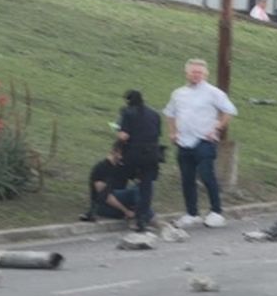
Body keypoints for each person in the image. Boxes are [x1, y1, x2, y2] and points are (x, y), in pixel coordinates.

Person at [163, 59, 239, 229]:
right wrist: (173, 132)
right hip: (184, 141)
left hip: (204, 140)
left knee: (206, 174)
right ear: (187, 73)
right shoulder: (178, 93)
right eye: (193, 72)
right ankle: (191, 213)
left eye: (200, 72)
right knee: (187, 178)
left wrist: (217, 127)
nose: (196, 75)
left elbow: (229, 111)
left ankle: (216, 211)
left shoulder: (213, 93)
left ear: (205, 74)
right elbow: (170, 113)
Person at [117, 89, 163, 231]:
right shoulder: (155, 114)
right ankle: (142, 218)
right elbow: (157, 133)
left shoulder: (128, 112)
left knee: (122, 178)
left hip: (134, 153)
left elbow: (124, 136)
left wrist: (118, 134)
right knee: (146, 186)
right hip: (153, 154)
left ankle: (124, 210)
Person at [80, 142, 140, 223]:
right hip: (105, 206)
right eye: (122, 154)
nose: (123, 157)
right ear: (114, 152)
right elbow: (105, 196)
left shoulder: (122, 167)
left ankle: (140, 213)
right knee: (135, 192)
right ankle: (142, 215)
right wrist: (126, 211)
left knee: (142, 186)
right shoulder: (101, 168)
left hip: (119, 201)